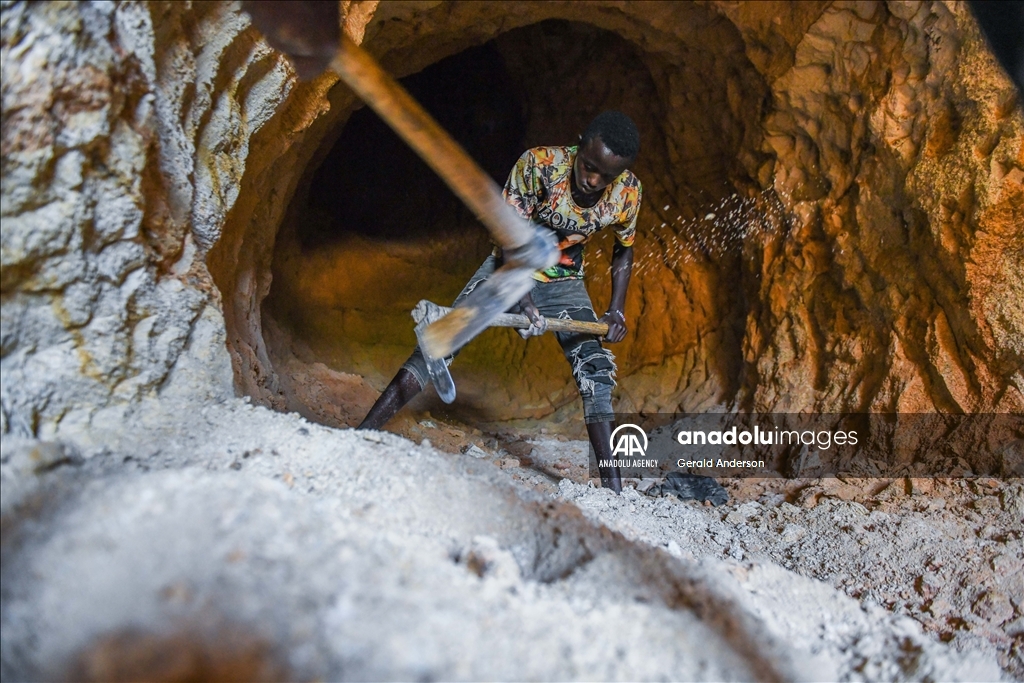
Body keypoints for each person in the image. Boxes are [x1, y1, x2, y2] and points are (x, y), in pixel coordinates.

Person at [358, 110, 643, 493]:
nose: (593, 181)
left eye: (606, 176)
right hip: (506, 269)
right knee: (439, 344)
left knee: (595, 373)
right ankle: (359, 436)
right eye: (589, 167)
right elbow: (508, 237)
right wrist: (522, 299)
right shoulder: (539, 165)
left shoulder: (627, 192)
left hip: (563, 281)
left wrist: (616, 309)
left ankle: (615, 494)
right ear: (579, 145)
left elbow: (624, 250)